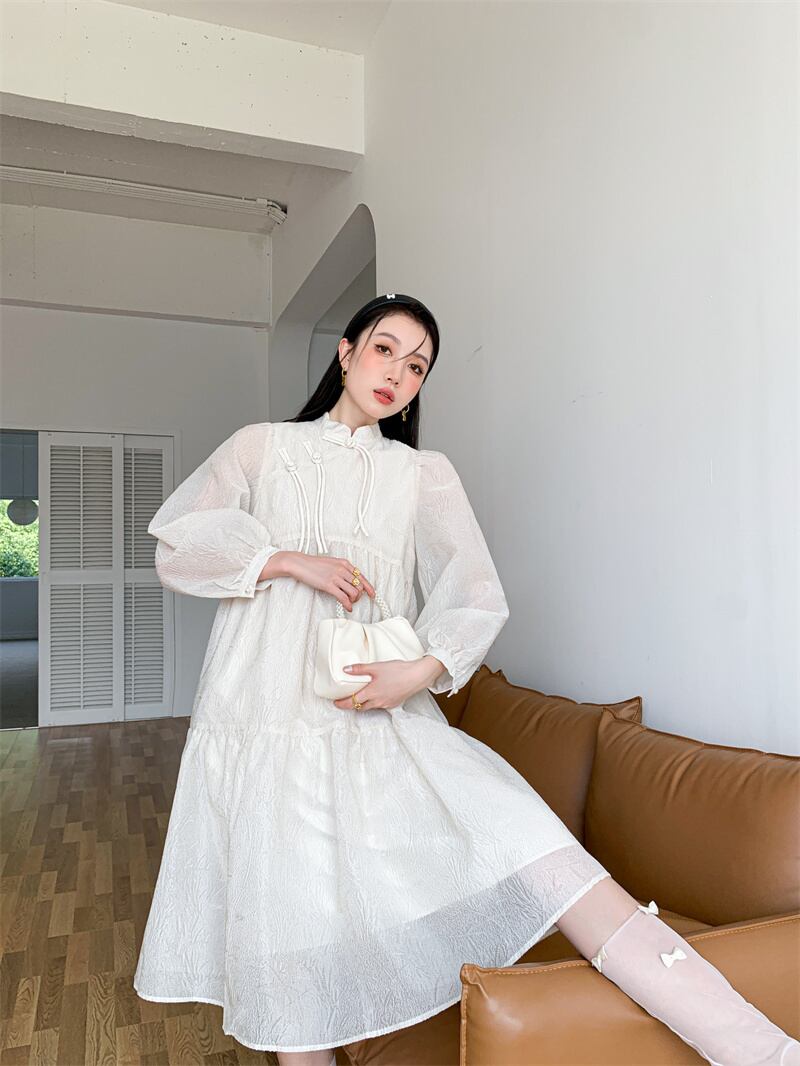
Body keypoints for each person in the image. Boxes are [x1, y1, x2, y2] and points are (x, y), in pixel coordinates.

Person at [133, 294, 799, 1066]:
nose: (398, 373)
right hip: (271, 728)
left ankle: (766, 1052)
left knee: (554, 863)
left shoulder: (423, 475)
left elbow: (477, 594)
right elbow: (178, 544)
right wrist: (284, 560)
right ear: (346, 352)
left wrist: (416, 673)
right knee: (297, 951)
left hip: (386, 724)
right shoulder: (261, 448)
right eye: (385, 349)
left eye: (417, 366)